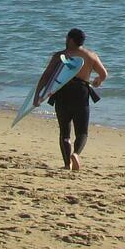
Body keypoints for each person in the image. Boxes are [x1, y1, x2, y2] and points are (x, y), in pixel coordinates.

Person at [42, 28, 107, 171]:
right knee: (82, 132)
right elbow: (103, 74)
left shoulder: (60, 56)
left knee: (65, 132)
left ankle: (67, 164)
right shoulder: (91, 56)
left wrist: (38, 96)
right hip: (81, 93)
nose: (65, 41)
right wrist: (98, 81)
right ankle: (76, 154)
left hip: (63, 93)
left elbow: (46, 76)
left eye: (66, 38)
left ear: (71, 40)